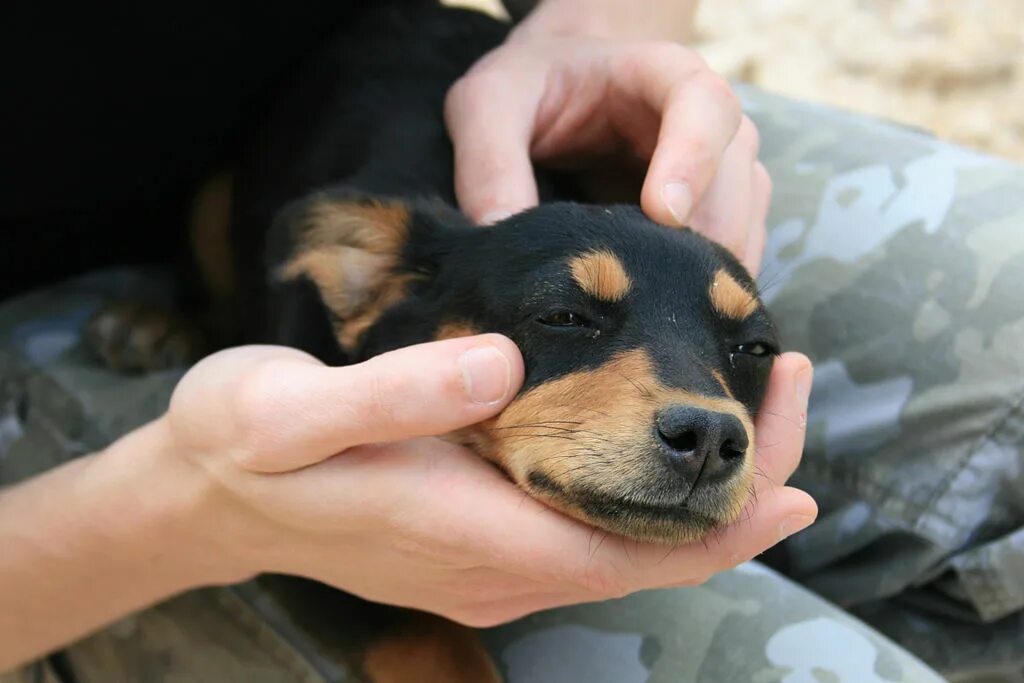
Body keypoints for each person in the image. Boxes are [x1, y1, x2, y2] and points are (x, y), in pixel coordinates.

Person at [4, 0, 1017, 680]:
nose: (708, 414)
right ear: (365, 288)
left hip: (511, 118)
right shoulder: (348, 271)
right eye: (572, 317)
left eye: (738, 350)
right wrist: (195, 509)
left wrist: (594, 34)